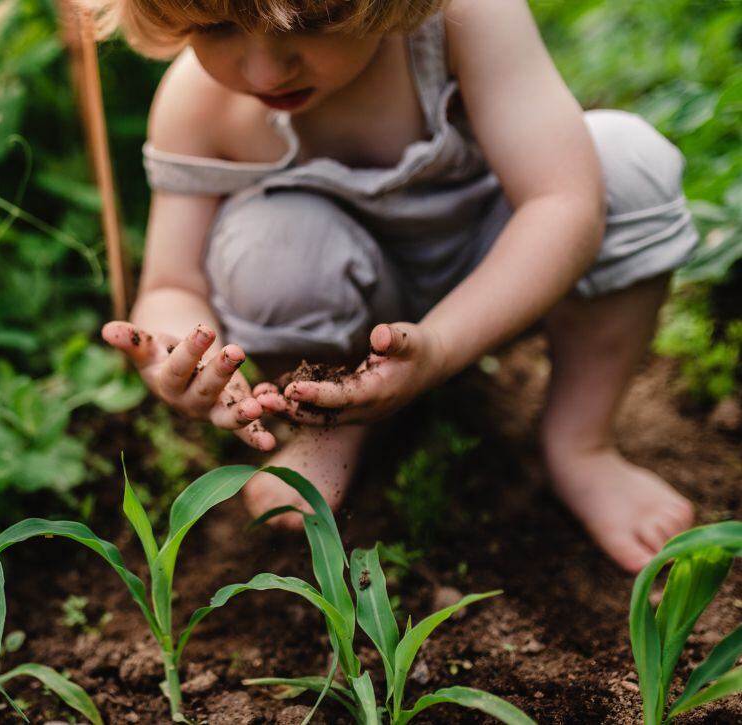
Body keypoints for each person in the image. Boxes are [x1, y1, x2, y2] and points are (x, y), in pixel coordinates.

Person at [93, 0, 698, 573]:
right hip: (341, 306)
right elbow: (172, 283)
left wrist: (438, 346)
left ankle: (580, 443)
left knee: (623, 163)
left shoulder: (461, 20)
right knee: (268, 243)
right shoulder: (199, 105)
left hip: (500, 277)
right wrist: (180, 351)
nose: (265, 67)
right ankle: (331, 416)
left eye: (315, 19)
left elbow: (560, 204)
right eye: (217, 27)